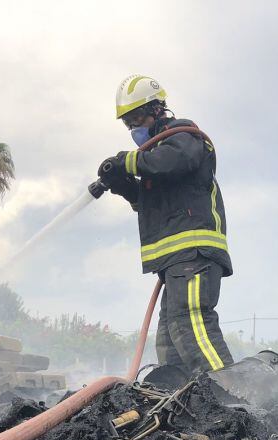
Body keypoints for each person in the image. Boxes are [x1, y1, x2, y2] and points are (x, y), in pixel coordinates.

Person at [98, 74, 234, 380]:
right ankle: (183, 396)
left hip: (194, 254)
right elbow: (153, 202)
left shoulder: (184, 136)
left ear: (157, 109)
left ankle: (233, 392)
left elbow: (172, 160)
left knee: (191, 322)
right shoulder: (154, 161)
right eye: (127, 122)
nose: (133, 128)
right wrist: (123, 185)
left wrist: (125, 162)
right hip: (175, 262)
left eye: (136, 118)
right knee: (171, 338)